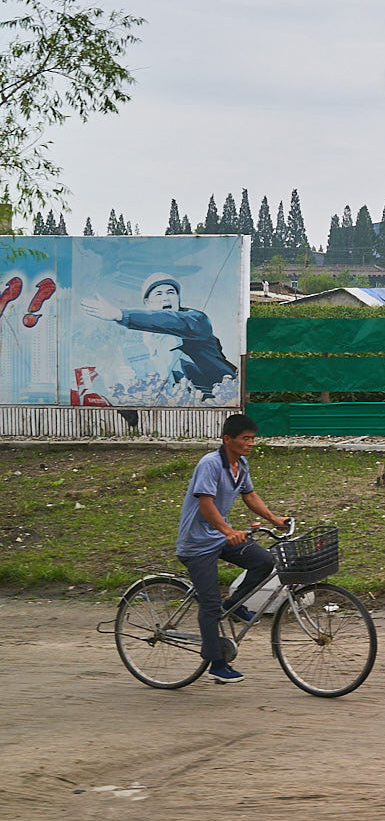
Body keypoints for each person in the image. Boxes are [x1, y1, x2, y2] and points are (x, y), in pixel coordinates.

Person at [176, 413, 290, 683]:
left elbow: (249, 494)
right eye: (245, 438)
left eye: (252, 438)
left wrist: (273, 519)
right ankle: (216, 663)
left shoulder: (241, 464)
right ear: (228, 440)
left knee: (264, 561)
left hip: (219, 537)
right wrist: (228, 531)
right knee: (210, 605)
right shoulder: (210, 464)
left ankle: (234, 604)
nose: (251, 443)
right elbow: (206, 503)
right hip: (197, 544)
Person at [82, 273, 238, 399]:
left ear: (178, 298)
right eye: (158, 293)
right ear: (147, 302)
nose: (166, 297)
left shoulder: (196, 321)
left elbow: (169, 321)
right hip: (180, 401)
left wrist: (121, 315)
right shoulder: (140, 342)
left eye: (171, 292)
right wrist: (125, 377)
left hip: (220, 395)